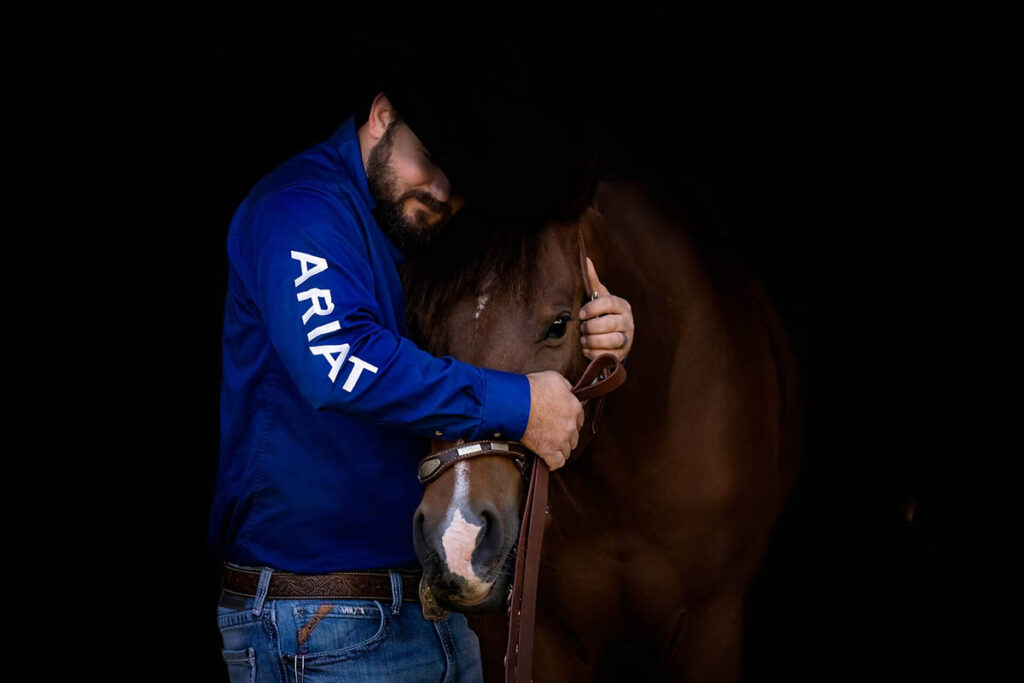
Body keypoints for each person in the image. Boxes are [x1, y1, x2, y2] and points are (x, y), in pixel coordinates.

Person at [207, 87, 635, 682]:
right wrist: (518, 404)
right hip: (320, 619)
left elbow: (495, 329)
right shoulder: (299, 211)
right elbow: (339, 364)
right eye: (428, 158)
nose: (440, 189)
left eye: (456, 180)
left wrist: (596, 335)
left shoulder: (410, 233)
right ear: (382, 116)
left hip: (426, 609)